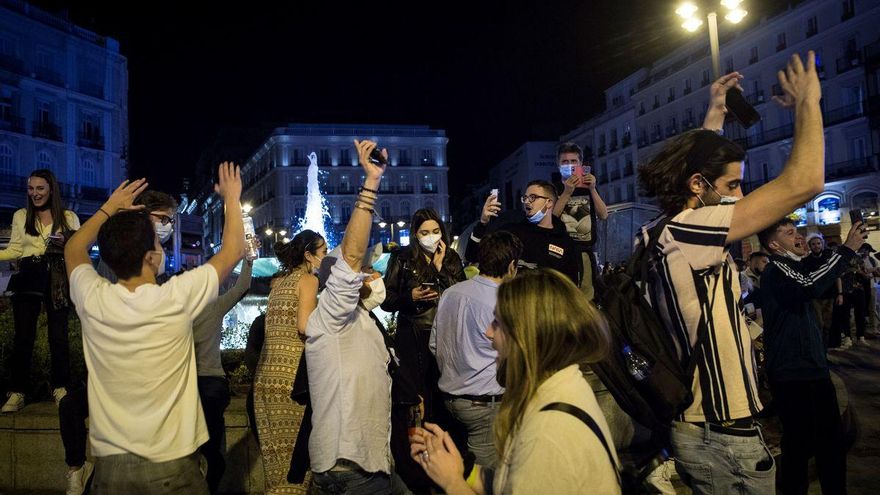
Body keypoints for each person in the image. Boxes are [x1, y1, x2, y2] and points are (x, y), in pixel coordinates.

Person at [637, 54, 826, 494]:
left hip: (702, 428)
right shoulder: (689, 231)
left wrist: (716, 112)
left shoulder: (658, 231)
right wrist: (808, 103)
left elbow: (703, 179)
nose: (739, 198)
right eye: (733, 187)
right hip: (721, 432)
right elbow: (805, 182)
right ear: (697, 186)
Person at [63, 162, 244, 493]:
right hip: (171, 466)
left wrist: (109, 208)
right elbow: (233, 251)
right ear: (150, 258)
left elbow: (73, 248)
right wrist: (231, 198)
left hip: (110, 470)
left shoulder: (92, 299)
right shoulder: (174, 298)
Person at [410, 269, 619, 494]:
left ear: (527, 337)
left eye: (498, 323)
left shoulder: (548, 434)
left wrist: (452, 482)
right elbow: (510, 483)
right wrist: (461, 468)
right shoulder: (563, 386)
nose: (489, 333)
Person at [305, 140, 410, 494]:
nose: (371, 276)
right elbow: (350, 255)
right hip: (351, 466)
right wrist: (372, 182)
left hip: (367, 461)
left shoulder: (363, 320)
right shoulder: (333, 316)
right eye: (363, 272)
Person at [756, 218, 865, 494]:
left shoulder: (794, 267)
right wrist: (847, 249)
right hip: (793, 372)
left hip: (812, 369)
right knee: (799, 445)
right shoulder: (777, 270)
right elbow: (809, 284)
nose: (800, 237)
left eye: (799, 232)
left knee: (830, 442)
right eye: (790, 233)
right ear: (773, 245)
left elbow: (819, 280)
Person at [382, 208, 466, 491]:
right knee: (415, 401)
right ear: (415, 235)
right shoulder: (402, 258)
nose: (431, 238)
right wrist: (411, 296)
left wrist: (442, 269)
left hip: (444, 334)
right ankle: (417, 471)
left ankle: (447, 466)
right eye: (424, 233)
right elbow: (387, 299)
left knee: (442, 399)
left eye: (435, 232)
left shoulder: (451, 258)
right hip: (413, 335)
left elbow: (460, 294)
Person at [430, 231, 522, 468]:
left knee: (461, 468)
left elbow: (434, 344)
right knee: (484, 478)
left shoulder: (451, 293)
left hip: (450, 400)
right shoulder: (501, 301)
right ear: (512, 266)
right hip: (483, 406)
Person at [1, 169, 80, 413]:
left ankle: (60, 388)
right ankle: (17, 392)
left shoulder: (69, 217)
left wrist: (66, 242)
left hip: (57, 277)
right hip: (28, 275)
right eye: (31, 189)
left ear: (51, 190)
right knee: (23, 336)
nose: (35, 193)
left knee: (59, 335)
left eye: (40, 188)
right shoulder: (20, 216)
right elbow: (15, 250)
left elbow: (77, 251)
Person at [253, 231, 326, 494]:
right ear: (309, 255)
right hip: (291, 376)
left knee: (276, 461)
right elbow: (305, 325)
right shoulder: (308, 280)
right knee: (297, 460)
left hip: (265, 378)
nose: (325, 257)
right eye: (323, 252)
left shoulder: (279, 282)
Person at [194, 259, 253, 493]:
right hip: (212, 383)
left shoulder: (175, 311)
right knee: (213, 445)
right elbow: (242, 287)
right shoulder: (214, 306)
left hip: (186, 384)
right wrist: (249, 261)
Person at [466, 180, 581, 284]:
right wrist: (483, 223)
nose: (526, 202)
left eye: (532, 197)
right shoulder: (512, 232)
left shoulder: (565, 242)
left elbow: (571, 286)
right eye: (525, 198)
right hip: (515, 303)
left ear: (549, 202)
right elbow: (472, 255)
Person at [552, 142, 608, 300]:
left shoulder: (588, 186)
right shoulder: (554, 188)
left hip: (584, 251)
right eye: (564, 162)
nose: (569, 165)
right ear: (558, 165)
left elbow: (603, 214)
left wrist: (592, 189)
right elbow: (552, 218)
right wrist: (566, 193)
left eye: (573, 161)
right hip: (561, 252)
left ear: (581, 164)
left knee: (585, 298)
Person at [96, 190, 178, 283]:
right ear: (142, 215)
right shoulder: (118, 252)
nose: (168, 226)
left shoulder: (158, 251)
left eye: (171, 221)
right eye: (163, 219)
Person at [802, 233, 842, 348]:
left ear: (822, 244)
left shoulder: (829, 258)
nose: (816, 246)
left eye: (818, 243)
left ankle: (824, 350)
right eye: (813, 244)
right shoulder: (806, 261)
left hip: (830, 295)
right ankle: (818, 350)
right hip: (816, 297)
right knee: (818, 324)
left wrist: (840, 294)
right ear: (809, 246)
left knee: (827, 325)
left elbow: (837, 276)